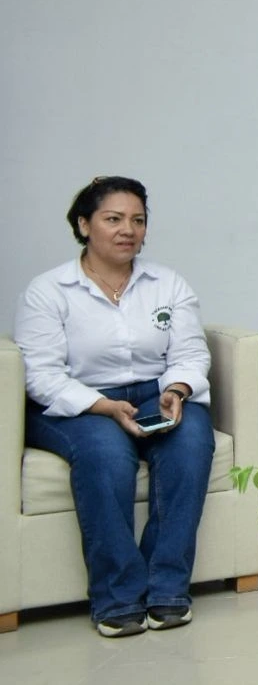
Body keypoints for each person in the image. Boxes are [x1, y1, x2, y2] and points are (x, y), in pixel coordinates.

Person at [14, 177, 215, 638]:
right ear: (84, 224)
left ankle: (167, 590)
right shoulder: (48, 291)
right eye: (114, 219)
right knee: (105, 457)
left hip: (155, 391)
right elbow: (41, 375)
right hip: (77, 402)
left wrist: (178, 389)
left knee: (190, 443)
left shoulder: (168, 283)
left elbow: (189, 351)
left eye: (138, 220)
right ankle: (118, 597)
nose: (128, 229)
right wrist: (103, 406)